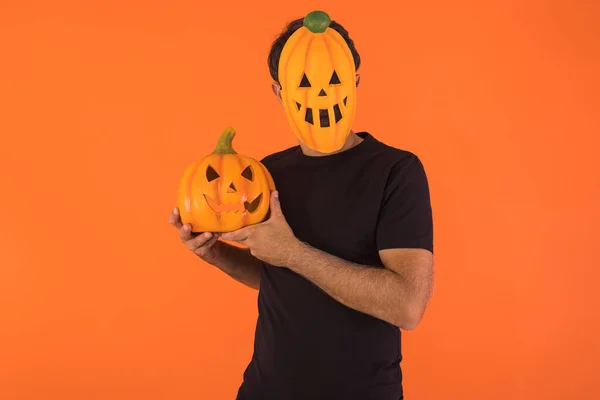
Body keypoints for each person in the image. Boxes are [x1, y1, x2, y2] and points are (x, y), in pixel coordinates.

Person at [169, 11, 434, 400]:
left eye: (334, 81)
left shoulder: (396, 170)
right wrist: (217, 255)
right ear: (279, 92)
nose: (322, 94)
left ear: (355, 82)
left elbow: (408, 306)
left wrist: (292, 252)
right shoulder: (266, 173)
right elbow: (282, 282)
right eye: (306, 83)